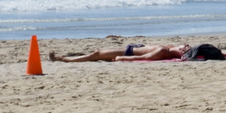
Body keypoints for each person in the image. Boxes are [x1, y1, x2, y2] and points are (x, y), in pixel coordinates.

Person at [50, 43, 192, 63]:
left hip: (129, 52)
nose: (184, 47)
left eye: (184, 50)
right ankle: (70, 57)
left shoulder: (163, 52)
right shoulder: (170, 48)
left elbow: (143, 57)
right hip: (131, 48)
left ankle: (64, 59)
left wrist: (122, 58)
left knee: (97, 54)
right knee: (97, 54)